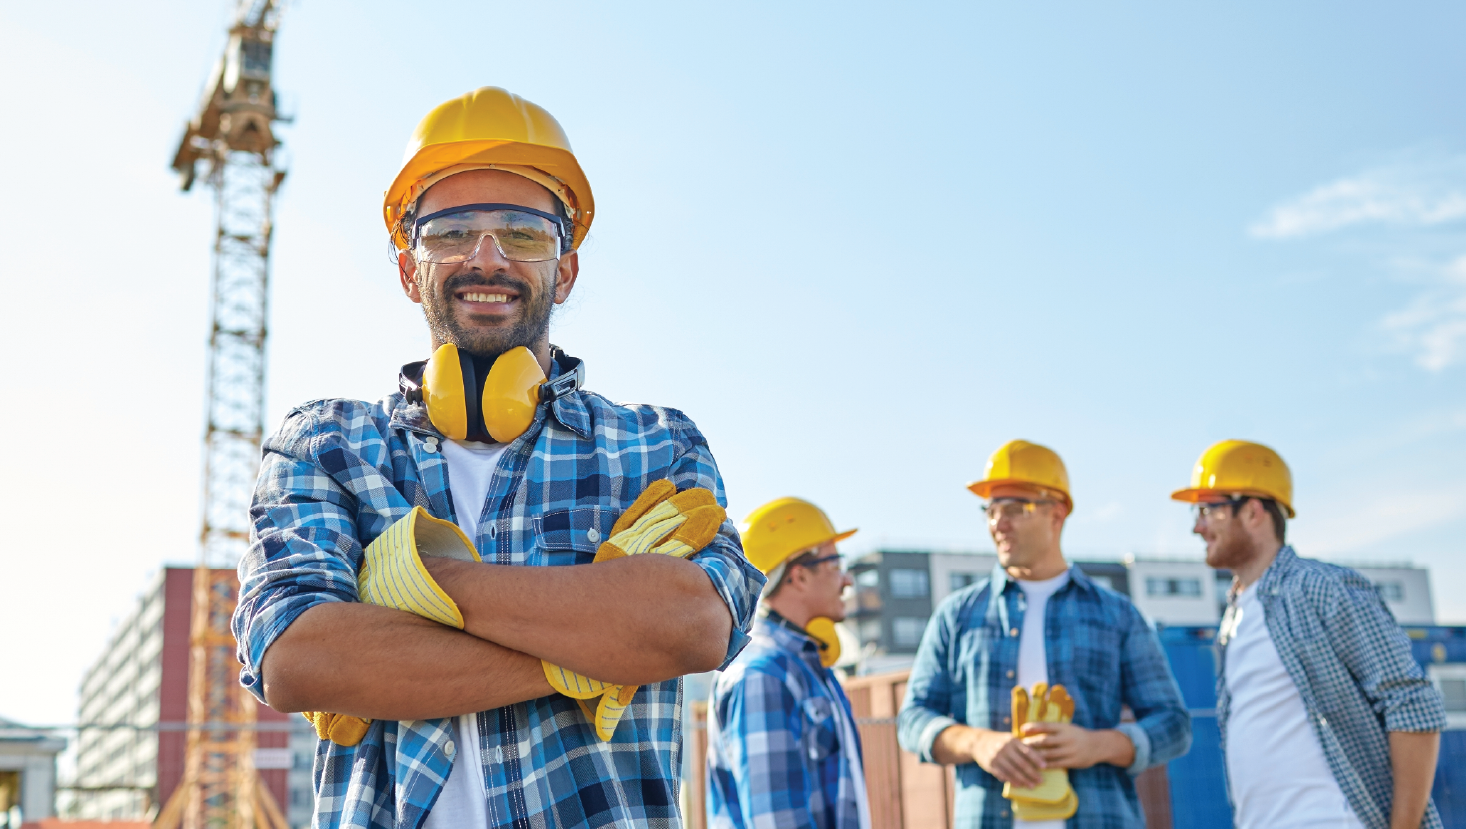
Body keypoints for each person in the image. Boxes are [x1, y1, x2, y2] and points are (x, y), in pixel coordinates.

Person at [232, 87, 765, 829]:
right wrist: (603, 646)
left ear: (566, 269)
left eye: (522, 233)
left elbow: (694, 628)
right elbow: (298, 660)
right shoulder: (323, 445)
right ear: (407, 269)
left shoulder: (656, 444)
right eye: (450, 232)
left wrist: (413, 585)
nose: (486, 258)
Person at [898, 441, 1191, 829]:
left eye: (1014, 509)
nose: (997, 523)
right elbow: (913, 719)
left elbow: (1173, 725)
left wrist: (1095, 746)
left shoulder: (1117, 615)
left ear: (1058, 512)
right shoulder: (957, 615)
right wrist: (978, 743)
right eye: (990, 510)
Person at [1173, 439, 1447, 829]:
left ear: (1253, 511)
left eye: (1208, 509)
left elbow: (1410, 703)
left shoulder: (1318, 587)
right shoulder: (1234, 617)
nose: (1197, 526)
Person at [706, 498, 871, 829]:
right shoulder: (762, 676)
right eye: (836, 563)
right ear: (799, 577)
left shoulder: (805, 666)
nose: (847, 580)